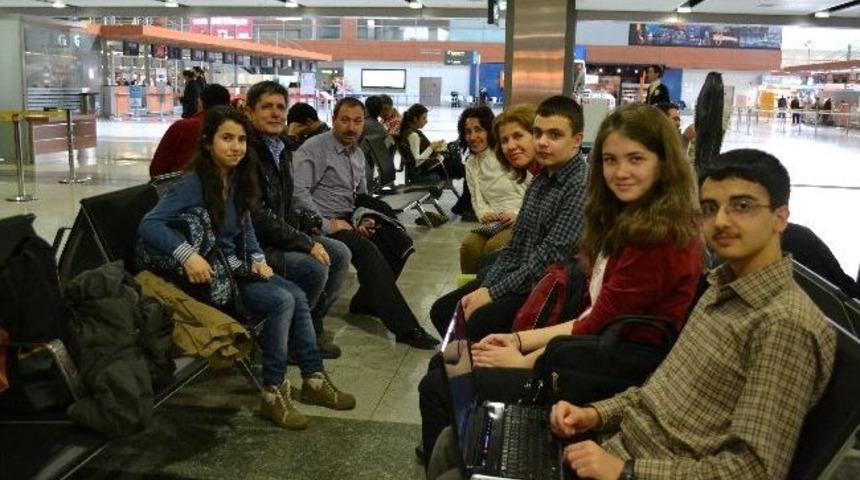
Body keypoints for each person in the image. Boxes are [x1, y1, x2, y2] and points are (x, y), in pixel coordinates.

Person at [421, 104, 704, 465]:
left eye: (636, 159)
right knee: (448, 358)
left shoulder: (659, 236)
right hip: (587, 347)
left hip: (604, 369)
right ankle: (465, 454)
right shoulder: (624, 217)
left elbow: (595, 318)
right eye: (610, 160)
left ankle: (465, 457)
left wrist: (524, 357)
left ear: (664, 163)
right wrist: (518, 340)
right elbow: (586, 306)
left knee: (442, 379)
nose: (621, 172)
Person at [546, 149, 837, 480]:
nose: (722, 221)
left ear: (780, 217)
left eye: (742, 206)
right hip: (613, 446)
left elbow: (752, 471)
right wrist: (593, 415)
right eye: (710, 209)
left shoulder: (783, 325)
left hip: (639, 466)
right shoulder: (718, 289)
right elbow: (656, 395)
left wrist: (626, 471)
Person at [138, 106, 356, 430]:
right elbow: (149, 224)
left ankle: (312, 377)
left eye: (241, 139)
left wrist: (255, 258)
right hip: (209, 278)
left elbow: (247, 228)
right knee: (284, 299)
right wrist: (187, 254)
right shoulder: (194, 183)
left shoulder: (237, 179)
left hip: (234, 269)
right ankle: (273, 391)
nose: (236, 146)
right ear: (208, 142)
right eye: (227, 138)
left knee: (294, 294)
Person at [429, 95, 588, 342]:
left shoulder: (578, 184)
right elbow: (516, 245)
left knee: (475, 319)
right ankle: (463, 368)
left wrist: (493, 292)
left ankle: (470, 367)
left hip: (549, 287)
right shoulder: (543, 179)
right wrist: (486, 289)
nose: (543, 142)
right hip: (527, 274)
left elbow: (550, 258)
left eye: (554, 135)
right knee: (442, 310)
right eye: (538, 134)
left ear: (576, 140)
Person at [292, 97, 439, 349]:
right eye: (345, 120)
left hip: (349, 218)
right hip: (317, 222)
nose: (351, 127)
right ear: (333, 120)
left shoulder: (357, 154)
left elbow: (359, 197)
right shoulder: (314, 149)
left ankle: (365, 301)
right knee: (367, 250)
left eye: (357, 121)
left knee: (398, 241)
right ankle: (406, 328)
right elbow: (298, 194)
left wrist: (364, 217)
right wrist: (329, 225)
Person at [245, 81, 351, 359]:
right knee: (313, 267)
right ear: (250, 112)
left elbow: (283, 207)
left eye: (280, 107)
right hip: (254, 246)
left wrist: (310, 223)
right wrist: (305, 243)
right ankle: (290, 338)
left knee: (339, 253)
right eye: (266, 107)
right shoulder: (247, 153)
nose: (275, 113)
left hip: (276, 235)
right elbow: (257, 216)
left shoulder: (279, 149)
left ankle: (310, 325)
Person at [459, 105, 534, 274]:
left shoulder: (506, 155)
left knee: (493, 248)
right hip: (494, 221)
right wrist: (484, 213)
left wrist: (517, 214)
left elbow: (533, 192)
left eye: (478, 130)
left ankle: (489, 291)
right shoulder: (471, 163)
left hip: (520, 218)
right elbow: (476, 198)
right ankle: (470, 290)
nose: (473, 136)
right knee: (469, 247)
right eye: (468, 131)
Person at [150, 84, 231, 178]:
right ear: (228, 103)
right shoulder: (239, 127)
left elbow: (157, 169)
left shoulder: (182, 127)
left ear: (200, 102)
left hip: (182, 188)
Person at [397, 103, 448, 183]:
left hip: (417, 172)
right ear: (415, 119)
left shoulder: (407, 131)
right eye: (424, 118)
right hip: (419, 175)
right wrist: (431, 148)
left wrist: (433, 147)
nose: (426, 121)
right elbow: (417, 161)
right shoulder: (413, 135)